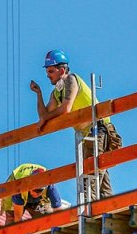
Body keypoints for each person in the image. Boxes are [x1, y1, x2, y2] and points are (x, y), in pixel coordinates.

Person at [29, 49, 122, 197]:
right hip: (87, 134)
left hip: (99, 129)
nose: (48, 75)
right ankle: (107, 210)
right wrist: (39, 94)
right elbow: (44, 115)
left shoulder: (71, 80)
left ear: (62, 70)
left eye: (51, 71)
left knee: (90, 175)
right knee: (99, 177)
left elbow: (65, 109)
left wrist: (46, 118)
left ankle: (89, 211)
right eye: (47, 72)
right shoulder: (57, 92)